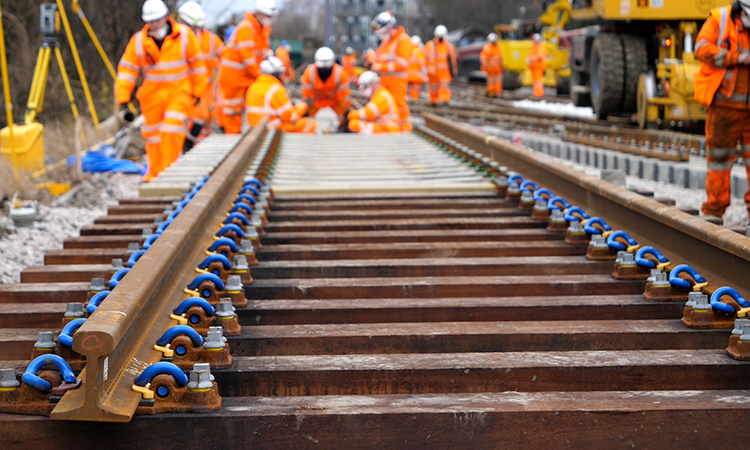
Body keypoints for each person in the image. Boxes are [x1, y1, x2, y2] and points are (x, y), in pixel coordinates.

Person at [115, 0, 208, 181]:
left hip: (178, 91)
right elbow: (127, 70)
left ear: (166, 17)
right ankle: (155, 173)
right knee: (153, 136)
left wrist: (197, 91)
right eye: (151, 21)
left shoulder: (185, 36)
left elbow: (198, 65)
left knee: (172, 131)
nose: (154, 24)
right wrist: (123, 97)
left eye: (157, 20)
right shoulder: (140, 41)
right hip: (152, 95)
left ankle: (169, 171)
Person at [695, 0, 750, 224]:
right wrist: (736, 57)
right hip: (724, 107)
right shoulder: (720, 19)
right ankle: (714, 213)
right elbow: (701, 48)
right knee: (718, 162)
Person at [216, 0, 278, 134]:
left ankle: (235, 134)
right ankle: (230, 137)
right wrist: (260, 76)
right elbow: (248, 58)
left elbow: (262, 53)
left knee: (242, 108)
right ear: (259, 14)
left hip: (245, 77)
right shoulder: (247, 27)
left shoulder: (262, 30)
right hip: (233, 77)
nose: (270, 19)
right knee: (231, 111)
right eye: (268, 16)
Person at [178, 1, 224, 150]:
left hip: (206, 87)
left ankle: (194, 144)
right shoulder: (179, 37)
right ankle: (188, 145)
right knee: (195, 117)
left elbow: (224, 56)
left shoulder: (209, 39)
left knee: (205, 117)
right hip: (187, 86)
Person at [245, 57, 316, 133]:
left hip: (255, 128)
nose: (283, 76)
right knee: (310, 123)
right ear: (276, 74)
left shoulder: (253, 86)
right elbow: (290, 117)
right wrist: (301, 108)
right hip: (271, 128)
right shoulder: (276, 89)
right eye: (281, 73)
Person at [371, 11, 413, 131]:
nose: (381, 35)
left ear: (389, 28)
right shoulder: (386, 42)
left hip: (396, 82)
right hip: (384, 82)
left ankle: (405, 130)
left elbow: (402, 63)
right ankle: (393, 130)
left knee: (399, 108)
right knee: (386, 109)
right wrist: (373, 58)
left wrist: (380, 67)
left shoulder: (403, 40)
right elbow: (379, 57)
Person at [300, 47, 352, 119]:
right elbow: (305, 94)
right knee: (309, 122)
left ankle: (341, 126)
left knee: (342, 119)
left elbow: (346, 94)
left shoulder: (340, 72)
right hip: (316, 102)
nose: (324, 71)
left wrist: (347, 109)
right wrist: (305, 109)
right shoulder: (310, 72)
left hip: (335, 101)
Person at [425, 24, 457, 106]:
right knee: (433, 88)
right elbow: (424, 58)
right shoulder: (430, 45)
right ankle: (433, 101)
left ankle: (445, 101)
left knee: (444, 88)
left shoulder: (448, 46)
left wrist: (454, 71)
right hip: (433, 72)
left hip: (444, 72)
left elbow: (452, 60)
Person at [480, 32, 503, 98]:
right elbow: (484, 59)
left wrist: (502, 66)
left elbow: (500, 59)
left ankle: (497, 93)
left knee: (497, 82)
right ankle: (492, 93)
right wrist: (486, 67)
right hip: (491, 70)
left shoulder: (496, 48)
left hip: (497, 70)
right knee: (492, 82)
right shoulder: (488, 48)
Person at [408, 35, 426, 99]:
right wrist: (424, 76)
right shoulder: (419, 51)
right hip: (416, 75)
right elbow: (422, 64)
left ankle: (412, 99)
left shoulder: (408, 51)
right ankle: (414, 100)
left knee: (411, 89)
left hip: (408, 75)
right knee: (416, 89)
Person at [528, 33, 547, 97]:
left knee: (538, 81)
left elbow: (540, 56)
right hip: (535, 68)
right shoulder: (535, 47)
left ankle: (538, 94)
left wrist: (531, 59)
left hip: (538, 67)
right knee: (536, 81)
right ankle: (537, 93)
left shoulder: (540, 47)